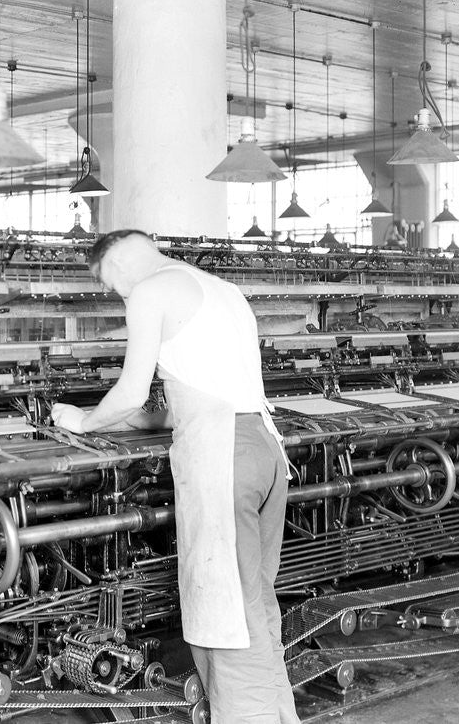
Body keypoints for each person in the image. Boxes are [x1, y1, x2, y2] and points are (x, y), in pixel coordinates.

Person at [51, 230, 300, 724]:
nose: (116, 294)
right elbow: (199, 393)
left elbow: (129, 391)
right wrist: (143, 421)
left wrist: (80, 420)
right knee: (254, 602)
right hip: (263, 450)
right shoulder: (220, 289)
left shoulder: (149, 289)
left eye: (108, 285)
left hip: (222, 458)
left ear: (116, 266)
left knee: (229, 617)